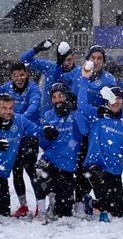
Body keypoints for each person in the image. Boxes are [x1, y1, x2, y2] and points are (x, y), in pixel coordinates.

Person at [74, 70, 123, 221]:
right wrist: (84, 79)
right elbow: (81, 105)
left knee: (118, 211)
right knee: (104, 196)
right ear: (107, 99)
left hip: (114, 168)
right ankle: (103, 211)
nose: (116, 100)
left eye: (119, 98)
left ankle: (91, 202)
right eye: (112, 97)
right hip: (95, 165)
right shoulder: (98, 114)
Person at [0, 62, 42, 217]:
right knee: (16, 170)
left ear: (27, 74)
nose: (19, 78)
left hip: (29, 133)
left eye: (22, 75)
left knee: (31, 169)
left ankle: (39, 204)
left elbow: (34, 105)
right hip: (13, 136)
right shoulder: (8, 87)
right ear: (11, 76)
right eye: (15, 75)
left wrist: (18, 119)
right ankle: (23, 205)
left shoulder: (33, 88)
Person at [37, 83, 89, 219]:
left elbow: (84, 131)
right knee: (38, 174)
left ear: (66, 97)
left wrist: (75, 109)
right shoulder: (48, 115)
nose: (58, 99)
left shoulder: (74, 114)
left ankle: (76, 201)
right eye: (54, 97)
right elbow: (43, 144)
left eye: (61, 96)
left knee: (64, 212)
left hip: (69, 163)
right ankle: (44, 207)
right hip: (51, 160)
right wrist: (47, 135)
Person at [21, 38, 76, 112]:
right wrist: (37, 49)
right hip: (46, 115)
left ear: (73, 57)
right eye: (63, 60)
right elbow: (24, 59)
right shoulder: (50, 67)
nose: (66, 63)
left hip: (68, 116)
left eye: (69, 60)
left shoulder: (79, 72)